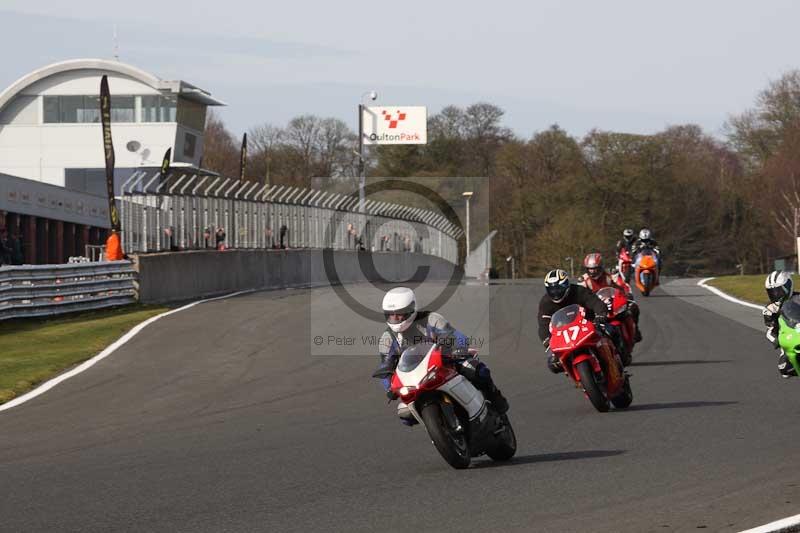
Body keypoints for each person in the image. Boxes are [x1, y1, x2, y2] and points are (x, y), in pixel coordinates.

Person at [372, 287, 509, 423]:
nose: (395, 318)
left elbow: (455, 335)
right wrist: (390, 387)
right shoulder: (387, 338)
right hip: (415, 378)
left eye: (399, 314)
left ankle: (495, 397)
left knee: (476, 370)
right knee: (405, 413)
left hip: (444, 362)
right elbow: (386, 367)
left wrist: (458, 348)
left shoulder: (431, 319)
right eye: (390, 314)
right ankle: (440, 428)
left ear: (411, 309)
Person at [538, 269, 624, 373]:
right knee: (553, 364)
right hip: (564, 333)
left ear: (566, 285)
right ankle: (574, 373)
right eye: (551, 289)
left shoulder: (579, 291)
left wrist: (600, 315)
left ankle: (619, 359)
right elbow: (543, 324)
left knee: (612, 330)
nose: (555, 292)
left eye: (558, 288)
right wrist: (547, 340)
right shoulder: (545, 302)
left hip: (588, 323)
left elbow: (595, 302)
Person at [578, 253, 642, 342]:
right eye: (590, 270)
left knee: (633, 307)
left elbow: (623, 285)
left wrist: (627, 293)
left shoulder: (611, 274)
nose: (593, 272)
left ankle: (636, 330)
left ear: (601, 267)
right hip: (596, 308)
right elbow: (579, 295)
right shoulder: (583, 280)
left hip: (614, 302)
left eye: (595, 269)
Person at [763, 271, 799, 378]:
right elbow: (770, 329)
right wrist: (775, 339)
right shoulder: (769, 310)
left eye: (779, 291)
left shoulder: (799, 298)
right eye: (772, 292)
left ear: (788, 286)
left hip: (799, 329)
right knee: (784, 368)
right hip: (787, 339)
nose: (776, 295)